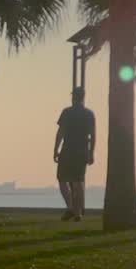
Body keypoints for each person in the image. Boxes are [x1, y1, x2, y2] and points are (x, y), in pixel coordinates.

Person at [54, 87, 96, 222]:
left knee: (63, 179)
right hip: (81, 150)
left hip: (68, 149)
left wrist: (55, 149)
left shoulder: (67, 112)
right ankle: (77, 212)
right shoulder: (89, 114)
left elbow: (60, 132)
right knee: (78, 181)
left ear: (73, 97)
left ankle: (72, 208)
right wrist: (91, 152)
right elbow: (93, 135)